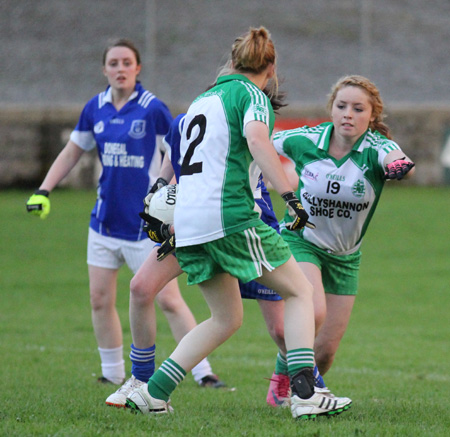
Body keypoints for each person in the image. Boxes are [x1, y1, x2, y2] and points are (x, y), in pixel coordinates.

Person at [125, 26, 352, 420]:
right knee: (299, 293)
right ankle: (305, 395)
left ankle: (153, 392)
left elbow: (178, 156)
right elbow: (258, 141)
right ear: (271, 66)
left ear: (232, 61)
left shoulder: (203, 98)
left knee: (226, 318)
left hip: (190, 223)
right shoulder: (252, 95)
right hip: (229, 214)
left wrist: (160, 192)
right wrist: (289, 195)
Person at [26, 38, 222, 390]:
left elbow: (178, 156)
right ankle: (113, 373)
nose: (120, 69)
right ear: (104, 70)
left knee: (167, 299)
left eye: (126, 63)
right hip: (103, 222)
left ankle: (204, 372)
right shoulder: (95, 108)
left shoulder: (153, 109)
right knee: (99, 299)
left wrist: (174, 202)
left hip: (144, 227)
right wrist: (44, 189)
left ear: (138, 69)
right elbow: (72, 152)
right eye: (113, 63)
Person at [268, 74, 415, 396]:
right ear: (331, 110)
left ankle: (290, 377)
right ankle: (293, 393)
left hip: (346, 257)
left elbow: (399, 161)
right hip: (300, 239)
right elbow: (258, 143)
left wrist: (399, 167)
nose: (349, 113)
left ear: (372, 115)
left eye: (358, 108)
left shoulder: (377, 148)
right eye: (342, 106)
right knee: (312, 311)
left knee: (325, 352)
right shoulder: (306, 139)